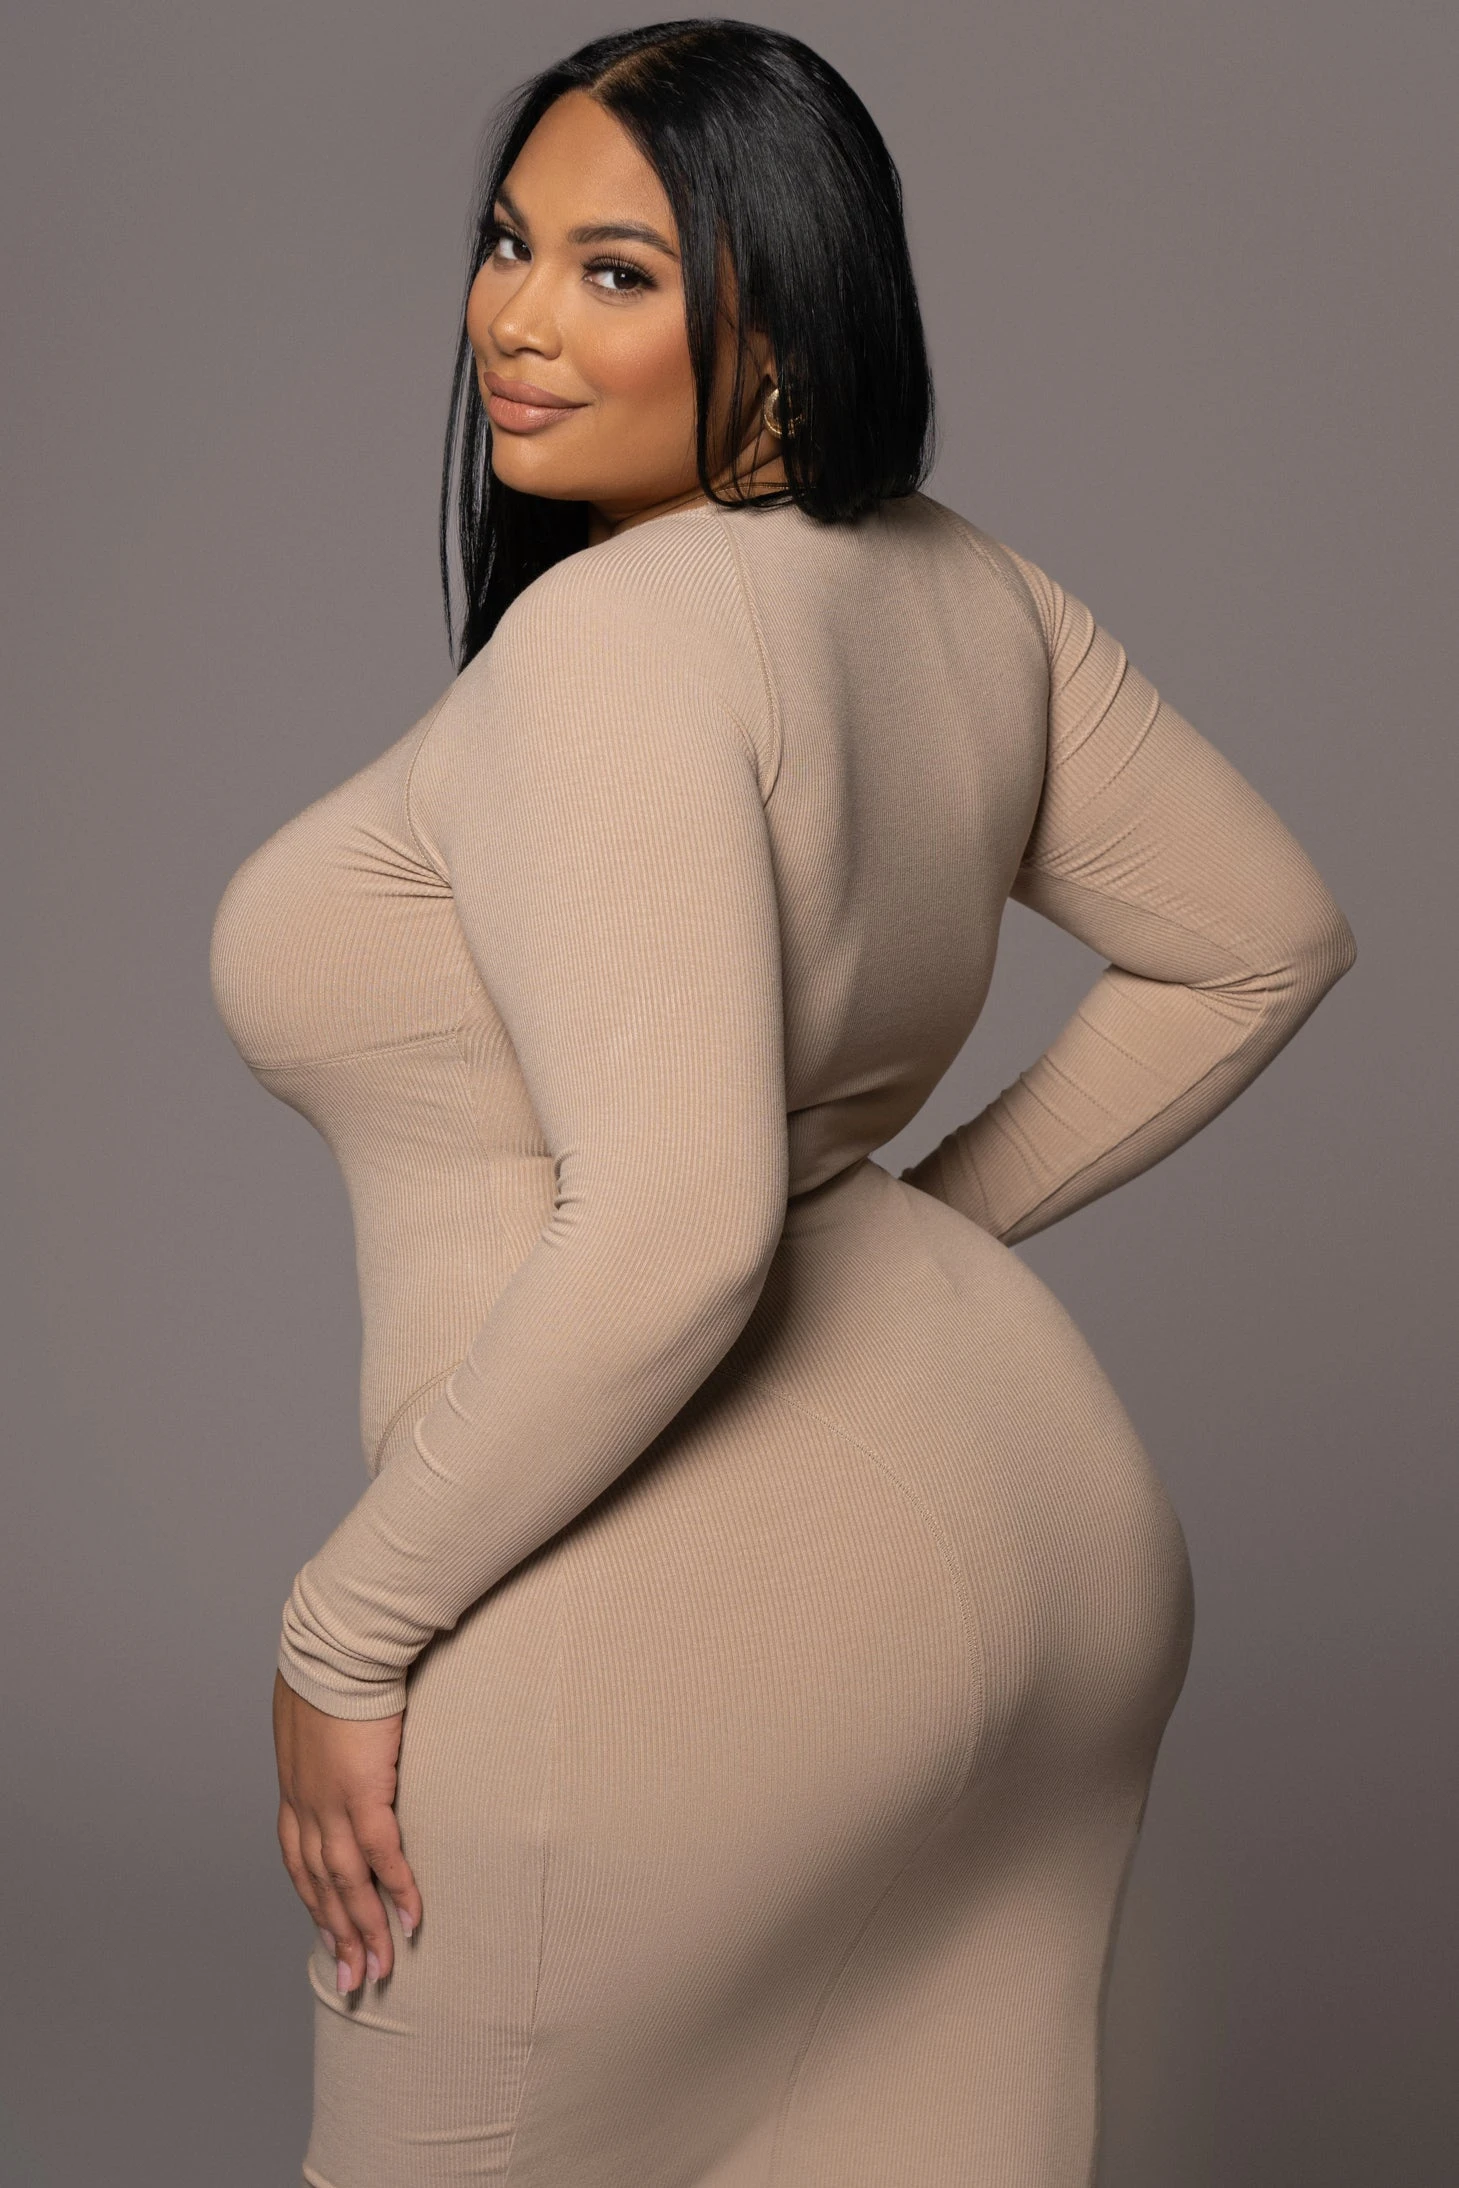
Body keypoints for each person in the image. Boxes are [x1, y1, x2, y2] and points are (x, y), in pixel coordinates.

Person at [209, 19, 1356, 2187]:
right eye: (509, 243)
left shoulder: (603, 646)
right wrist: (912, 1227)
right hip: (1055, 1540)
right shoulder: (971, 588)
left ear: (788, 311)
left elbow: (676, 1226)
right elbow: (1262, 936)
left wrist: (339, 1637)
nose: (517, 320)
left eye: (617, 273)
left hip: (671, 1639)